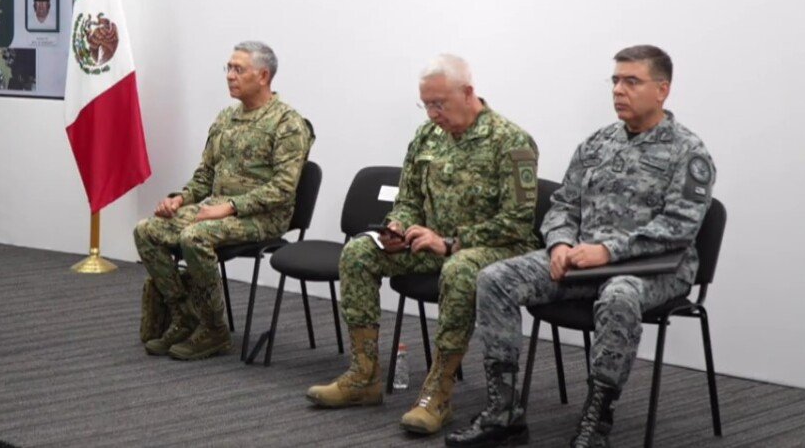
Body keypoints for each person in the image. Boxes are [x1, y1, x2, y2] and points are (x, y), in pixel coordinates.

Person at [446, 45, 716, 448]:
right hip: (580, 259)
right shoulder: (597, 144)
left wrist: (608, 251)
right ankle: (504, 411)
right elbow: (563, 205)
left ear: (663, 90)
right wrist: (559, 244)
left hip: (653, 268)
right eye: (615, 81)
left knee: (619, 296)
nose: (619, 90)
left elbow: (677, 228)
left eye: (632, 81)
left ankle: (597, 419)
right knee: (496, 278)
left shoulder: (688, 153)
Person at [306, 54, 540, 437]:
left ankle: (439, 393)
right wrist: (398, 225)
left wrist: (450, 243)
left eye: (439, 104)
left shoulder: (512, 142)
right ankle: (363, 375)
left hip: (497, 249)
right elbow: (409, 196)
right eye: (426, 103)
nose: (432, 113)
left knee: (460, 269)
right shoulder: (426, 136)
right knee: (360, 253)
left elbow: (517, 223)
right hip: (430, 243)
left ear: (468, 93)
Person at [134, 41, 313, 360]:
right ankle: (185, 314)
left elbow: (284, 188)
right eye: (228, 68)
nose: (230, 76)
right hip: (217, 208)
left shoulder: (288, 124)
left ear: (263, 75)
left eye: (238, 69)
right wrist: (180, 199)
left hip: (262, 216)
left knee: (194, 236)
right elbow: (204, 175)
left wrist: (230, 207)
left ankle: (214, 330)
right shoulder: (224, 119)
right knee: (147, 230)